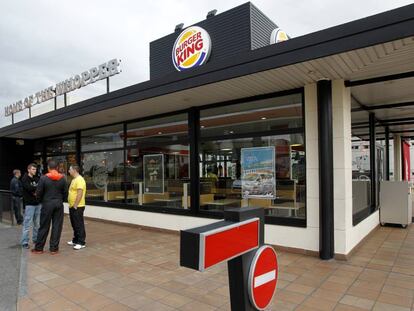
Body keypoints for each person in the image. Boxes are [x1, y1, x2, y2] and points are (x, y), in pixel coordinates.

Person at [32, 160, 67, 255]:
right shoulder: (62, 178)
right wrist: (60, 200)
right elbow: (65, 193)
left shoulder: (43, 178)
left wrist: (40, 201)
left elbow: (38, 193)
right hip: (58, 204)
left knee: (44, 226)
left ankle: (39, 248)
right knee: (57, 226)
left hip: (47, 204)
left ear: (48, 168)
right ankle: (54, 249)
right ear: (57, 168)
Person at [20, 164, 41, 249]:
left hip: (38, 204)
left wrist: (35, 189)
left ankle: (35, 239)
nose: (34, 171)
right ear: (28, 170)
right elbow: (28, 188)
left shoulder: (37, 178)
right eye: (33, 169)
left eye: (35, 169)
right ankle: (25, 242)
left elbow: (40, 188)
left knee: (37, 223)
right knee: (27, 224)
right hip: (29, 205)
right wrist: (35, 189)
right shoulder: (25, 178)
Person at [67, 164, 87, 250]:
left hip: (78, 206)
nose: (69, 171)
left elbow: (80, 193)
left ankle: (81, 242)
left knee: (79, 224)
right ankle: (75, 240)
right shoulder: (74, 179)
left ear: (74, 170)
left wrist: (75, 204)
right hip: (72, 206)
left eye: (70, 169)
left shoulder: (80, 180)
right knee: (74, 224)